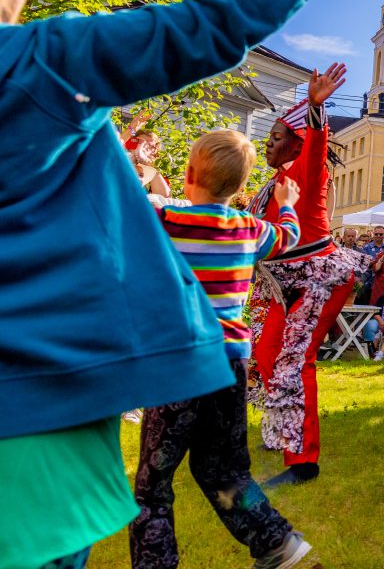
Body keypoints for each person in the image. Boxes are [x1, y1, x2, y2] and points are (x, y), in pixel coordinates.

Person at [0, 0, 384, 569]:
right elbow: (209, 26)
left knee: (168, 482)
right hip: (36, 426)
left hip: (100, 400)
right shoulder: (47, 60)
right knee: (218, 473)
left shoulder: (174, 212)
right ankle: (274, 541)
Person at [130, 130, 310, 569]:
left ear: (188, 174)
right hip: (230, 365)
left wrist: (134, 160)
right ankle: (277, 544)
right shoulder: (250, 229)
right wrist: (286, 201)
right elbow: (289, 234)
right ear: (239, 187)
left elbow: (126, 205)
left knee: (153, 487)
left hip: (180, 366)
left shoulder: (168, 219)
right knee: (225, 472)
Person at [249, 80, 372, 488]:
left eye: (276, 137)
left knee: (294, 360)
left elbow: (318, 146)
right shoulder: (271, 185)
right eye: (268, 137)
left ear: (296, 143)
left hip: (319, 278)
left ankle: (303, 461)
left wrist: (317, 110)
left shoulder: (306, 168)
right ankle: (286, 428)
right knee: (265, 353)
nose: (268, 143)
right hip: (285, 284)